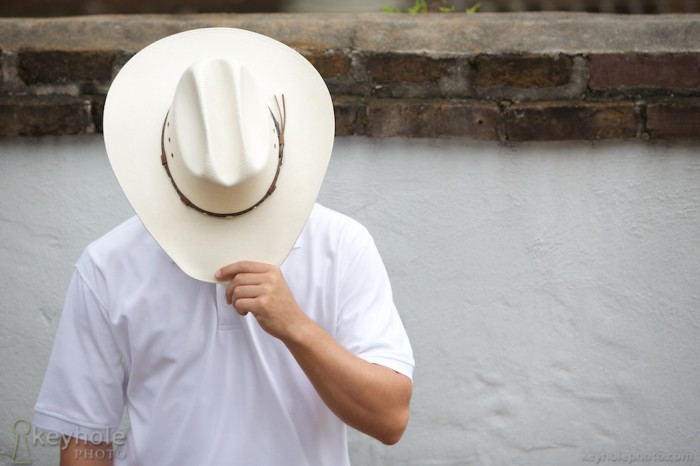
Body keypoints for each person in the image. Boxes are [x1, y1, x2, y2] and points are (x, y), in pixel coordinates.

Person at [32, 27, 414, 466]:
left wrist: (295, 326)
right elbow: (83, 441)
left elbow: (390, 418)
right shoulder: (108, 266)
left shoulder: (342, 247)